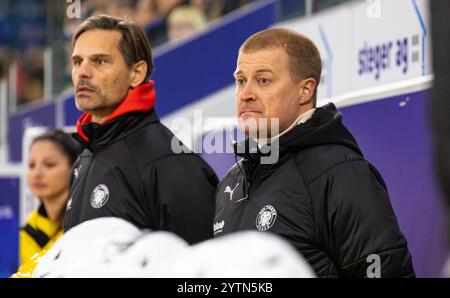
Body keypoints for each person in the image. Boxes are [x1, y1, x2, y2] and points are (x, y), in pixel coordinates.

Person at [213, 28, 415, 277]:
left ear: (305, 90)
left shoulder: (341, 173)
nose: (245, 94)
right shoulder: (232, 182)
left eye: (263, 80)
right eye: (241, 81)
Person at [64, 15, 218, 244]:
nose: (83, 73)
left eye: (99, 61)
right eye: (78, 62)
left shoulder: (168, 162)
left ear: (136, 74)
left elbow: (202, 267)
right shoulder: (86, 156)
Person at [20, 129, 81, 266]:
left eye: (49, 164)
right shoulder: (30, 229)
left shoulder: (86, 221)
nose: (37, 173)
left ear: (74, 167)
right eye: (31, 165)